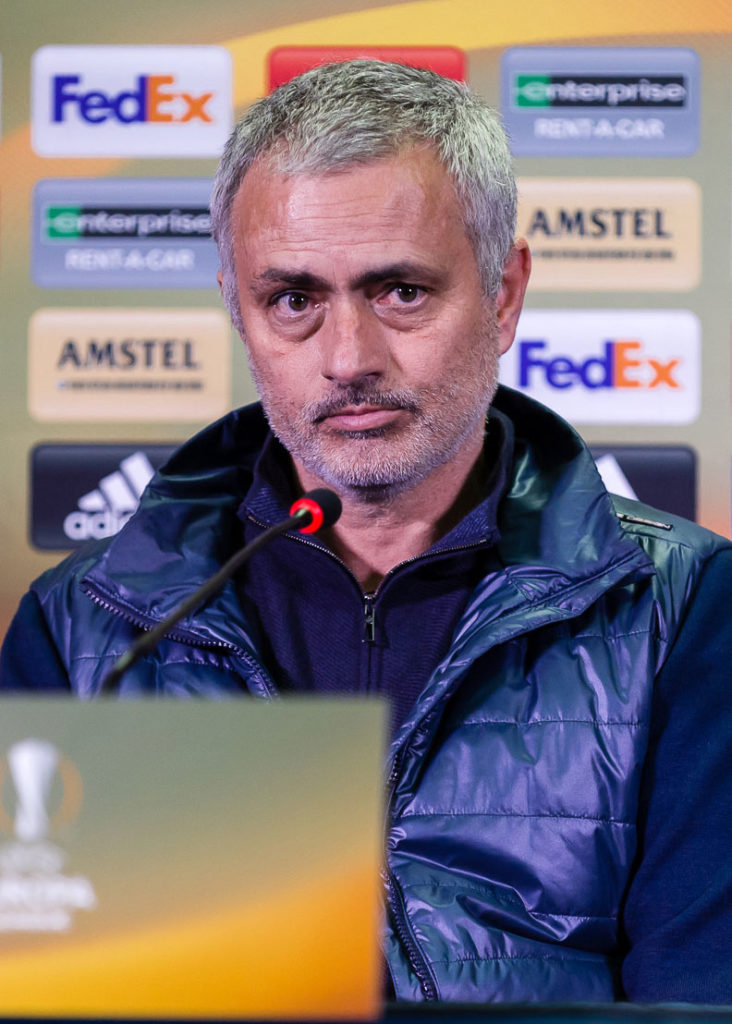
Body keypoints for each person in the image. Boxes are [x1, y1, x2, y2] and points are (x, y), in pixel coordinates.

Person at [2, 60, 731, 1004]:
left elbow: (698, 996)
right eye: (293, 299)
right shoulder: (86, 627)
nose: (348, 358)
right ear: (237, 309)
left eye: (401, 292)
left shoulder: (684, 608)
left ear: (504, 294)